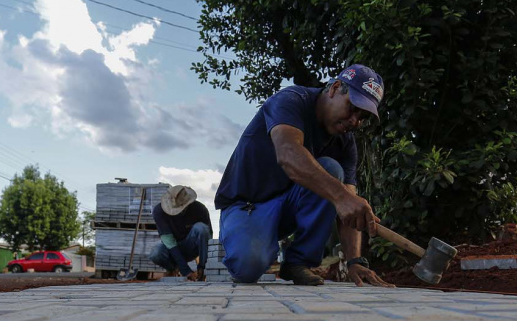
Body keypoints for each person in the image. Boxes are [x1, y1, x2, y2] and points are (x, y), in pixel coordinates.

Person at [215, 63, 393, 287]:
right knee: (248, 268)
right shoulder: (291, 100)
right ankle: (248, 240)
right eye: (352, 107)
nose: (355, 121)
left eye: (363, 117)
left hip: (287, 206)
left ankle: (298, 263)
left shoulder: (345, 143)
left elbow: (351, 206)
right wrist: (341, 197)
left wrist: (355, 261)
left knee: (332, 170)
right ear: (335, 88)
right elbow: (289, 154)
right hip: (247, 205)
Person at [149, 185, 212, 281]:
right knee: (155, 253)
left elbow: (208, 238)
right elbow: (169, 242)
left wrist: (203, 266)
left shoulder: (200, 209)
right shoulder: (159, 211)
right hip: (172, 249)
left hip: (191, 247)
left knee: (201, 228)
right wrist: (185, 270)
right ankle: (172, 269)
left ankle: (202, 271)